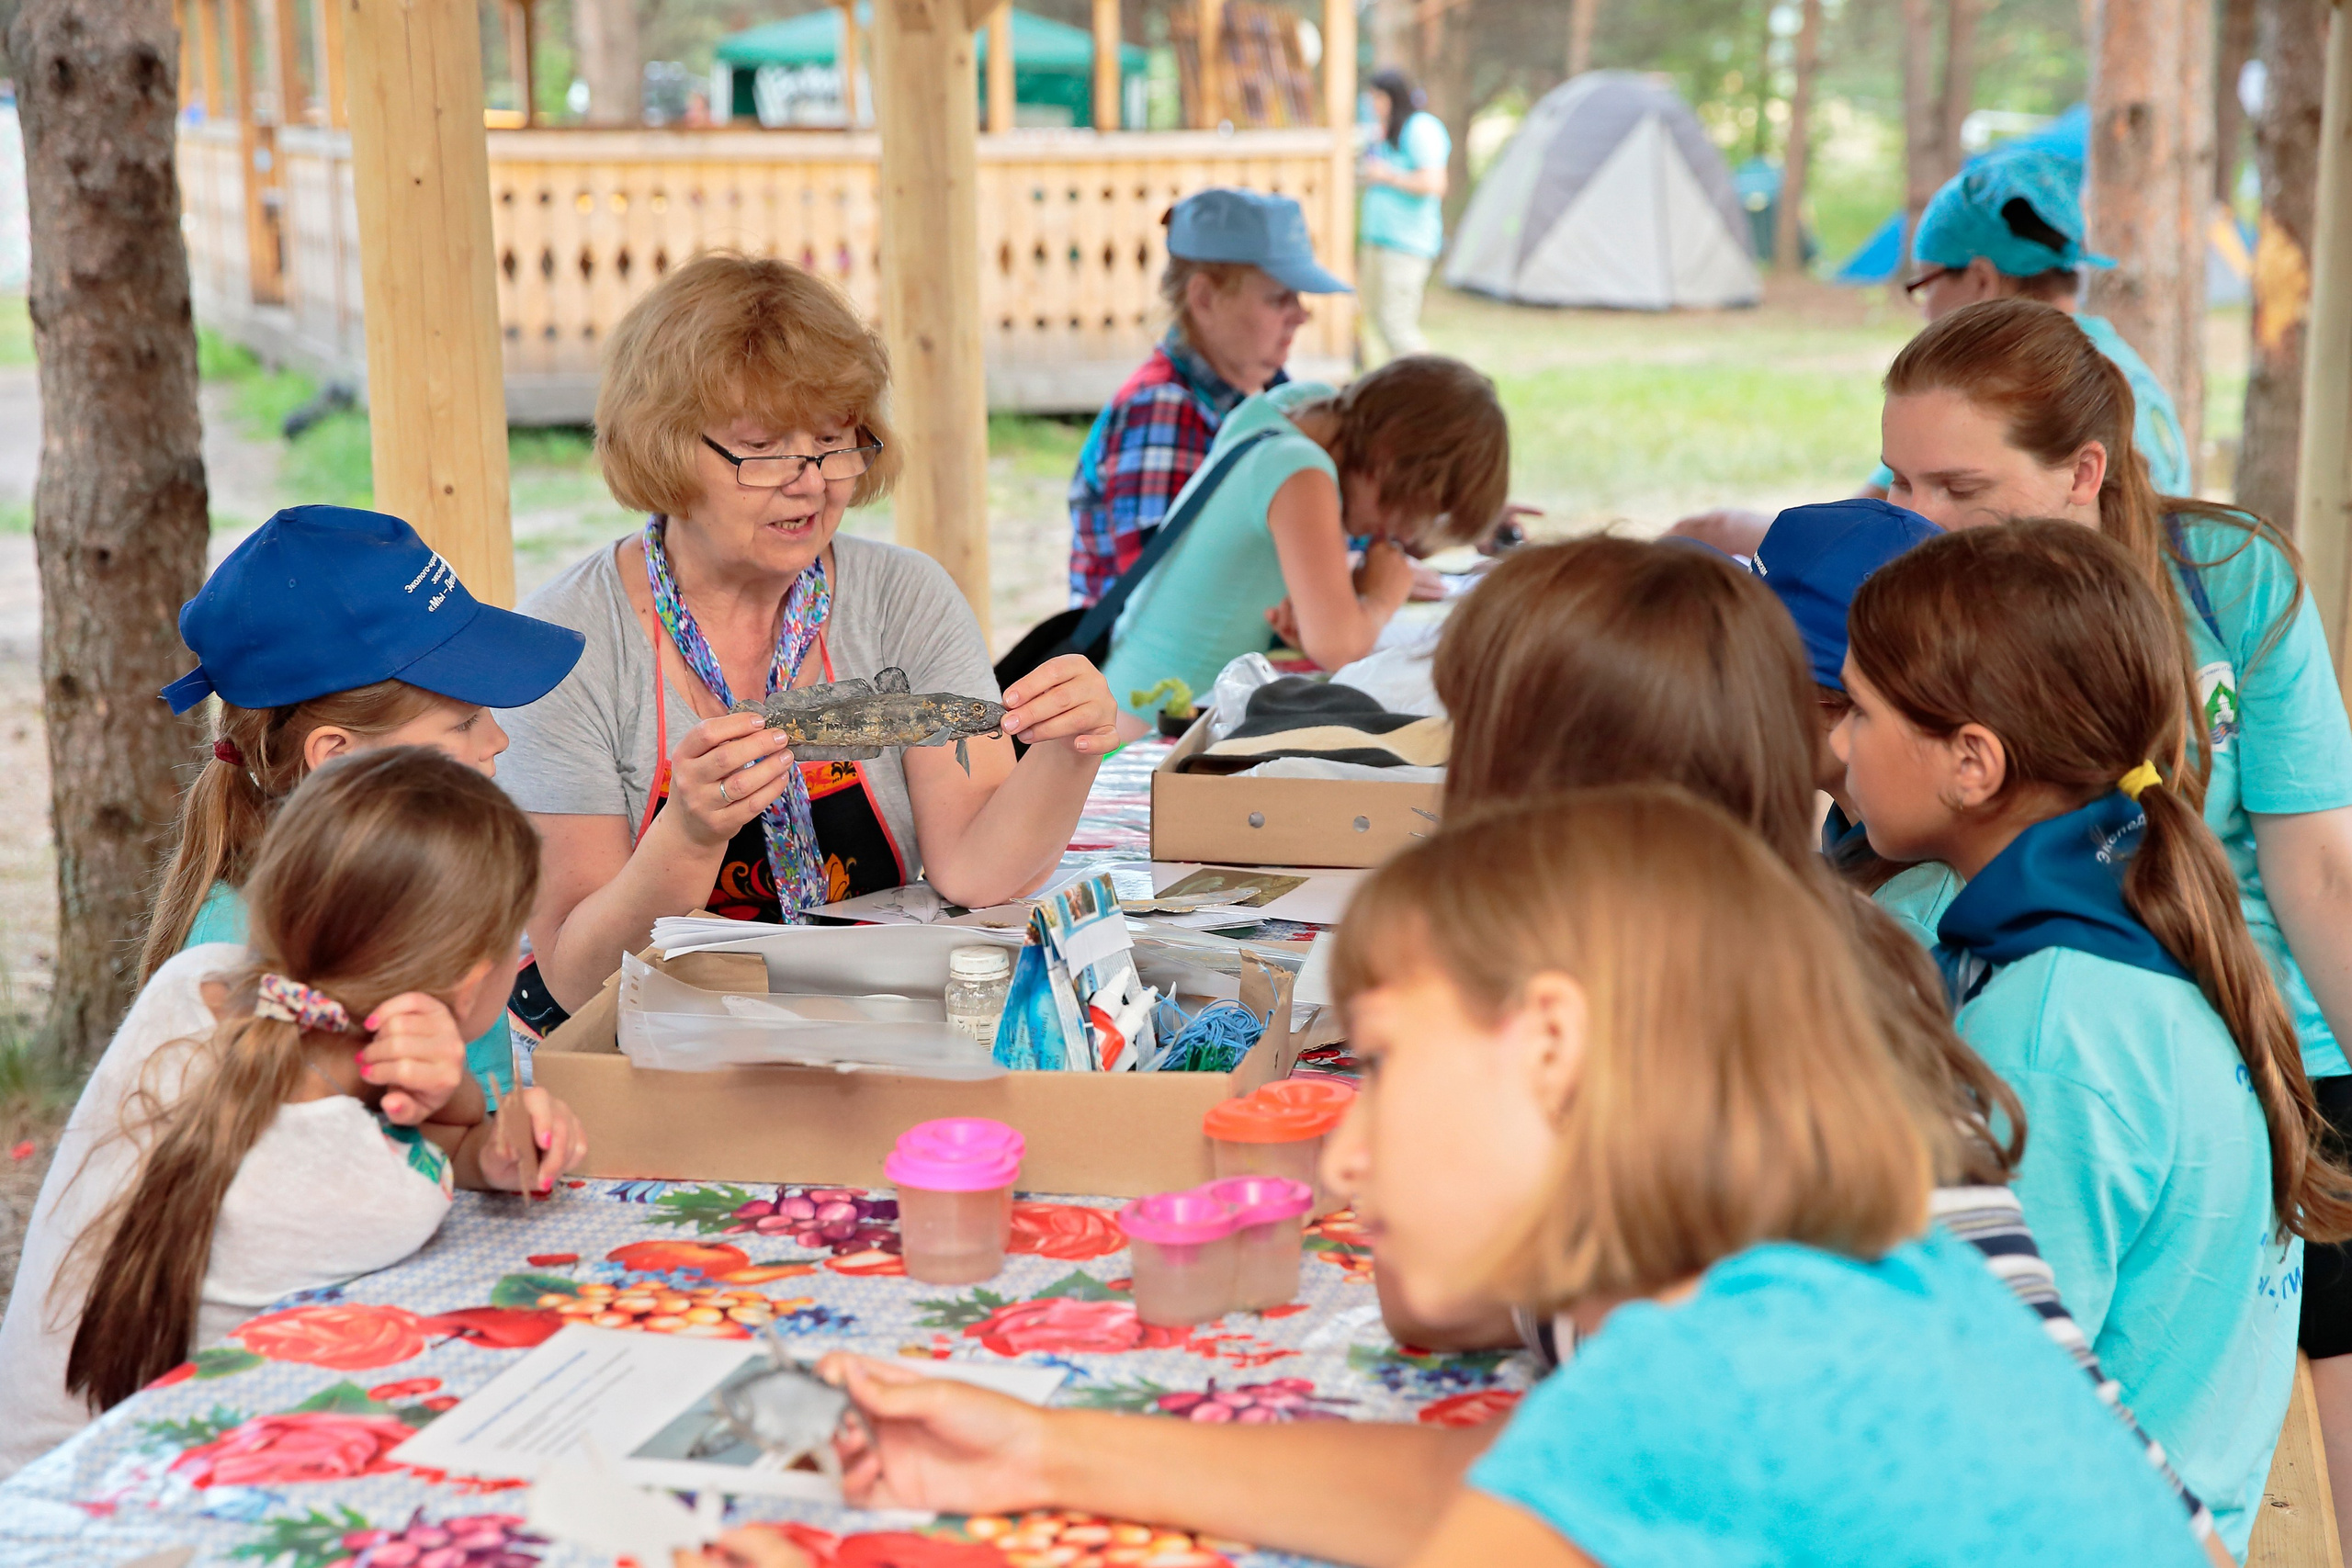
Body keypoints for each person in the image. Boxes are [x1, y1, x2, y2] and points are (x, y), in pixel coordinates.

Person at [795, 539, 2222, 1566]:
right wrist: (1045, 1446)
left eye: (1396, 1065)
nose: (1343, 1151)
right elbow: (1517, 1474)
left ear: (1552, 1030)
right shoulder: (1797, 1272)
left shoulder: (1709, 1361)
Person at [1877, 297, 2352, 1527]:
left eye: (1958, 487)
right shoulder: (2062, 1007)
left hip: (2228, 1023)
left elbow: (2320, 873)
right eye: (1898, 480)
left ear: (2084, 471)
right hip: (2081, 1002)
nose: (1911, 521)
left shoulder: (2234, 581)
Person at [499, 253, 1119, 1027]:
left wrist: (1071, 750)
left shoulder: (905, 599)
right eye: (761, 448)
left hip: (865, 1025)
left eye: (832, 439)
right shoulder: (569, 645)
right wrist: (688, 836)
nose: (811, 480)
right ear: (660, 445)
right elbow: (578, 975)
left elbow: (975, 872)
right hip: (646, 1049)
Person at [0, 749, 589, 1479]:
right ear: (472, 985)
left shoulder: (195, 982)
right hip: (120, 1504)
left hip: (29, 1460)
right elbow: (426, 1157)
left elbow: (429, 1133)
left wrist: (473, 1119)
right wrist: (470, 1109)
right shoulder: (379, 1196)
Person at [143, 504, 586, 1095]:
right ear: (339, 757)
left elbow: (476, 1116)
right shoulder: (238, 966)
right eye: (463, 722)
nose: (497, 740)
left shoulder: (431, 876)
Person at [1672, 145, 2189, 555]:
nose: (1921, 312)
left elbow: (1853, 540)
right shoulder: (2120, 365)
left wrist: (1714, 529)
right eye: (1903, 481)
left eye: (1924, 285)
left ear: (1983, 280)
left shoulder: (1996, 394)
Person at [1100, 354, 1508, 732]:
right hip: (1145, 726)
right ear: (1388, 457)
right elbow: (1341, 650)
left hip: (1128, 691)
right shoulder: (1301, 473)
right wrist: (1380, 598)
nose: (1398, 536)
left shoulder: (1303, 409)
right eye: (1402, 512)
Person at [1067, 188, 1350, 607]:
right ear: (1204, 299)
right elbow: (1164, 593)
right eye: (1278, 298)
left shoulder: (1268, 393)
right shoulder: (1162, 409)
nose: (1301, 314)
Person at [1747, 498, 1960, 946]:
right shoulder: (1862, 827)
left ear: (1843, 704)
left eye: (1752, 677)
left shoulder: (1909, 924)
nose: (1732, 701)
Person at [1358, 69, 1450, 365]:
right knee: (1380, 321)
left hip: (1407, 243)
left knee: (1397, 325)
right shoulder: (1384, 131)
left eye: (1377, 97)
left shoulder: (1421, 128)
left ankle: (1434, 385)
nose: (1373, 104)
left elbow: (1434, 183)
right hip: (1378, 239)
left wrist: (1388, 176)